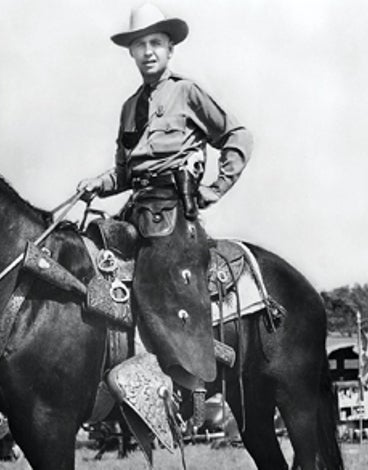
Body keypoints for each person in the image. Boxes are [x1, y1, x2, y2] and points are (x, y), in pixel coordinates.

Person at [77, 3, 253, 391]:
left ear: (170, 48)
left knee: (153, 273)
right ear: (131, 53)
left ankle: (181, 380)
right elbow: (124, 173)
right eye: (140, 45)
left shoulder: (187, 93)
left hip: (173, 212)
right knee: (87, 254)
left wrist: (215, 188)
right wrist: (97, 184)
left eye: (156, 43)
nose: (148, 52)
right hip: (135, 210)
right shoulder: (128, 109)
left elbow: (237, 136)